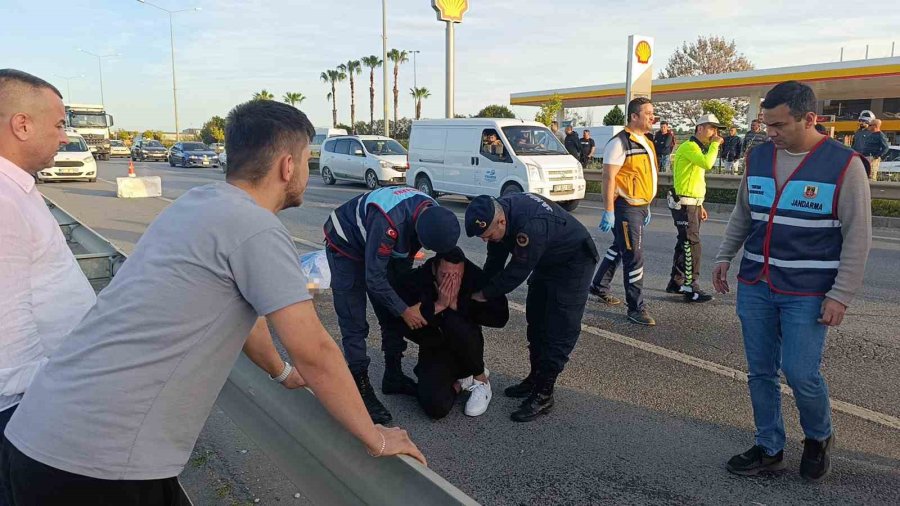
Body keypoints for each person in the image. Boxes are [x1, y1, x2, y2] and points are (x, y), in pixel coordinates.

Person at [1, 100, 426, 504]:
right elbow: (314, 349)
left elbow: (248, 312)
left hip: (42, 430)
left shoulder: (198, 203)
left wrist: (281, 373)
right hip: (99, 462)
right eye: (304, 158)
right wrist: (376, 437)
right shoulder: (256, 228)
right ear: (288, 166)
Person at [713, 81, 871, 482]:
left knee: (801, 373)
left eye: (779, 125)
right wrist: (724, 256)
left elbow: (858, 236)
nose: (770, 133)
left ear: (809, 119)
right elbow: (743, 214)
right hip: (757, 283)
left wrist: (841, 295)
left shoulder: (844, 164)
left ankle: (818, 437)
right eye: (767, 124)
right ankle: (769, 447)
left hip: (808, 291)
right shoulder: (759, 156)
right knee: (760, 372)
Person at [0, 69, 97, 504]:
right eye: (58, 125)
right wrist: (54, 397)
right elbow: (7, 326)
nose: (64, 137)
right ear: (22, 125)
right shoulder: (3, 200)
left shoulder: (16, 189)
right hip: (22, 411)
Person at [323, 187, 460, 424]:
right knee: (354, 321)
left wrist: (401, 302)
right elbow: (374, 278)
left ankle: (393, 376)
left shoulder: (433, 213)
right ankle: (361, 390)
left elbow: (403, 260)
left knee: (392, 306)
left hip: (380, 240)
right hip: (346, 245)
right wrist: (404, 310)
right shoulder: (388, 222)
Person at [465, 193, 598, 422]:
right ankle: (535, 378)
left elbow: (515, 273)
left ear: (501, 222)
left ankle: (544, 393)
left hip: (573, 262)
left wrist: (483, 295)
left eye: (488, 236)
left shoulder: (531, 227)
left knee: (559, 329)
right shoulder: (498, 215)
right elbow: (495, 262)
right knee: (536, 319)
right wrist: (480, 286)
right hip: (546, 259)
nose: (486, 241)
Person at [393, 247, 509, 419]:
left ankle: (481, 380)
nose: (451, 281)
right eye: (445, 275)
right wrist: (437, 306)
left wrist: (459, 305)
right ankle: (461, 382)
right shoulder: (418, 279)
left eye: (456, 276)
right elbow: (399, 324)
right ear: (434, 269)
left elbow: (500, 318)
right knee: (435, 407)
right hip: (435, 346)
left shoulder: (473, 276)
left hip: (468, 345)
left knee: (453, 320)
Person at [592, 97, 658, 325]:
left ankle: (599, 285)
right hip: (626, 207)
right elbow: (608, 177)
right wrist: (609, 210)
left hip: (640, 206)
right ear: (634, 116)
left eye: (653, 113)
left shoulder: (646, 141)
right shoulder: (620, 142)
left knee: (621, 247)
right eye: (648, 113)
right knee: (634, 256)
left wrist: (647, 204)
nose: (652, 117)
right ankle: (636, 308)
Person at [666, 114, 723, 303]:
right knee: (692, 244)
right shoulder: (690, 146)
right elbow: (708, 164)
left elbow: (694, 179)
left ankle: (676, 282)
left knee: (684, 242)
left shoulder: (696, 148)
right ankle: (691, 287)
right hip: (685, 203)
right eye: (711, 128)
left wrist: (700, 205)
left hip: (693, 203)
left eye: (716, 129)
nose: (714, 133)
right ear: (700, 128)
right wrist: (715, 145)